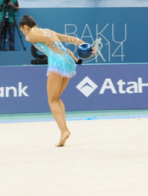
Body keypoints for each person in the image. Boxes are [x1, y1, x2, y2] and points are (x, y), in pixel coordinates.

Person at [19, 15, 93, 147]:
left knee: (51, 100)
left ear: (25, 27)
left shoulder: (29, 35)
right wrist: (83, 44)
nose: (23, 33)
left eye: (22, 30)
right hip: (69, 61)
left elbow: (48, 40)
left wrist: (58, 51)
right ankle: (63, 131)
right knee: (57, 98)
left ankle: (64, 131)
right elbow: (67, 38)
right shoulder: (48, 30)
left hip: (57, 61)